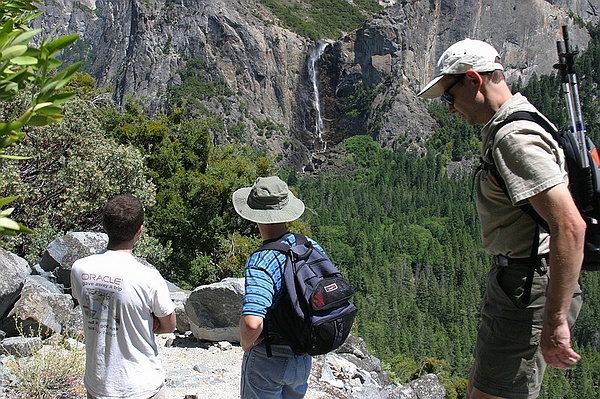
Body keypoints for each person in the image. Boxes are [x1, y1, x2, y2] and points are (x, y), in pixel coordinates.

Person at [418, 39, 585, 398]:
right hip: (515, 281)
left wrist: (555, 321)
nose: (450, 109)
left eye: (449, 96)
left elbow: (570, 226)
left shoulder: (514, 138)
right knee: (482, 387)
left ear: (474, 80)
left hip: (530, 286)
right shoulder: (511, 123)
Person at [71, 194, 176, 399]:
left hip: (98, 384)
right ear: (140, 230)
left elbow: (85, 304)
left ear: (104, 225)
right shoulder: (148, 277)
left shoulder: (80, 269)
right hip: (141, 386)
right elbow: (169, 325)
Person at [232, 176, 325, 399]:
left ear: (254, 214)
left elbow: (252, 323)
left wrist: (246, 343)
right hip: (302, 357)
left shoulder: (262, 260)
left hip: (268, 358)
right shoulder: (309, 245)